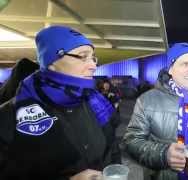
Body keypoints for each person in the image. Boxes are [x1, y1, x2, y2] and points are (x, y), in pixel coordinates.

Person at [0, 26, 119, 180]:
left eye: (93, 58)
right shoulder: (8, 117)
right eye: (83, 56)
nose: (93, 66)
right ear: (52, 63)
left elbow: (112, 149)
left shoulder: (95, 102)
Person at [123, 43, 188, 180]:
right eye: (185, 64)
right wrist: (163, 155)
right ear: (170, 69)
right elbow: (132, 140)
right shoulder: (147, 100)